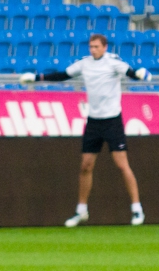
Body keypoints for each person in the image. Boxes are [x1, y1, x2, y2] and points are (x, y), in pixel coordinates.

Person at [19, 33, 152, 227]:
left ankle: (137, 208)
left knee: (122, 164)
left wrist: (140, 74)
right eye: (91, 47)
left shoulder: (113, 63)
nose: (93, 50)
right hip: (93, 122)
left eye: (96, 47)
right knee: (86, 165)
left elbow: (132, 73)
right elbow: (63, 75)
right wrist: (37, 77)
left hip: (112, 121)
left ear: (105, 47)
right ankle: (81, 210)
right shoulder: (84, 63)